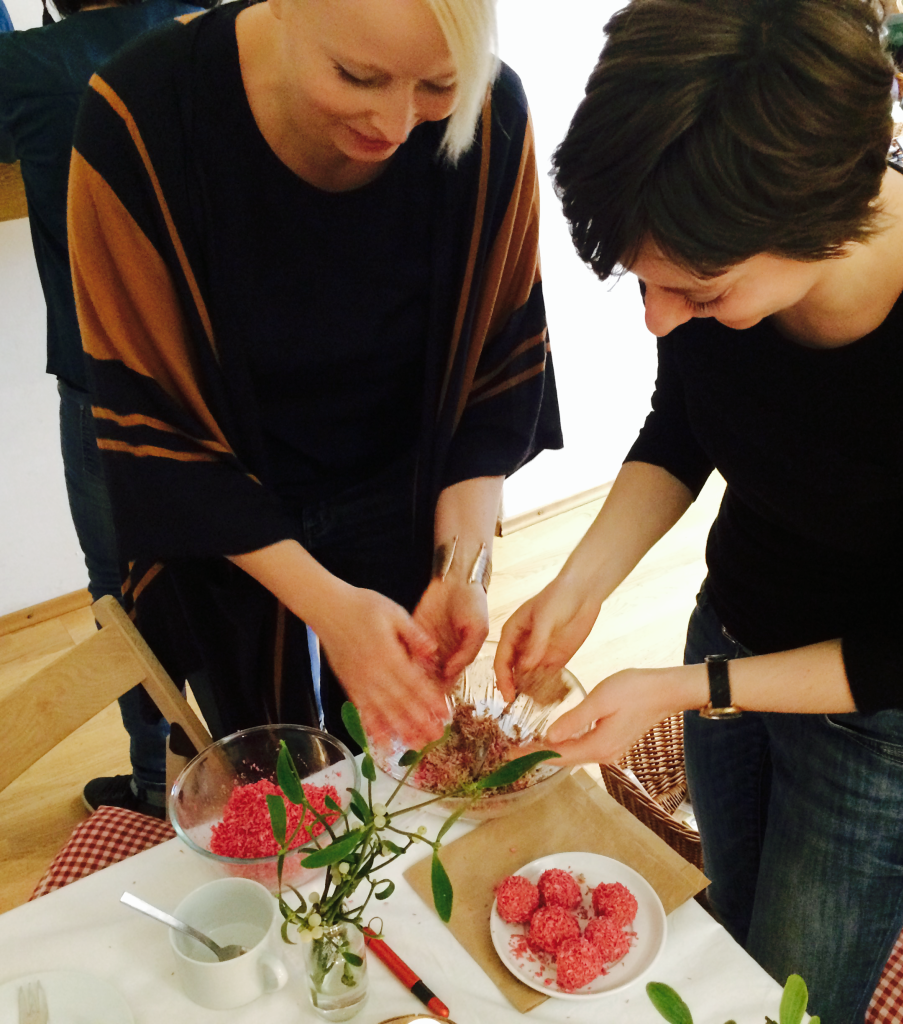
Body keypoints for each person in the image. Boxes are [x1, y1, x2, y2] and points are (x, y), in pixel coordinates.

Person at [494, 1, 903, 1021]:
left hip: (885, 723)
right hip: (733, 632)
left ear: (827, 220)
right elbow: (684, 422)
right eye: (644, 286)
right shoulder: (716, 238)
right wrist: (580, 586)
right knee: (729, 927)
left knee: (789, 994)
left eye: (697, 293)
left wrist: (679, 688)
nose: (660, 319)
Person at [67, 0, 561, 752]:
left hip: (408, 504)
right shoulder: (141, 120)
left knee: (399, 760)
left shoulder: (492, 119)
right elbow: (154, 421)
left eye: (439, 85)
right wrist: (329, 609)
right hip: (229, 526)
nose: (397, 125)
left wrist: (462, 569)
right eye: (358, 76)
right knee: (268, 765)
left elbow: (496, 377)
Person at [0, 0, 205, 816]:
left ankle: (157, 783)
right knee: (241, 565)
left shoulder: (28, 67)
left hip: (102, 383)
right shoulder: (216, 32)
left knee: (120, 590)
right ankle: (265, 760)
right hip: (221, 377)